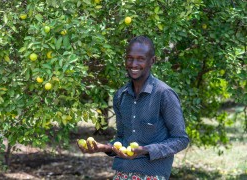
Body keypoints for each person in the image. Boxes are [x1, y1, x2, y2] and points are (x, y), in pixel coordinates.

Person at [77, 35, 189, 180]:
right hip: (122, 174)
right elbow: (122, 138)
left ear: (152, 61)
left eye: (140, 59)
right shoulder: (120, 96)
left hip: (152, 175)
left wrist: (146, 150)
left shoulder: (164, 94)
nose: (133, 64)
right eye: (130, 58)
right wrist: (103, 147)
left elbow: (180, 139)